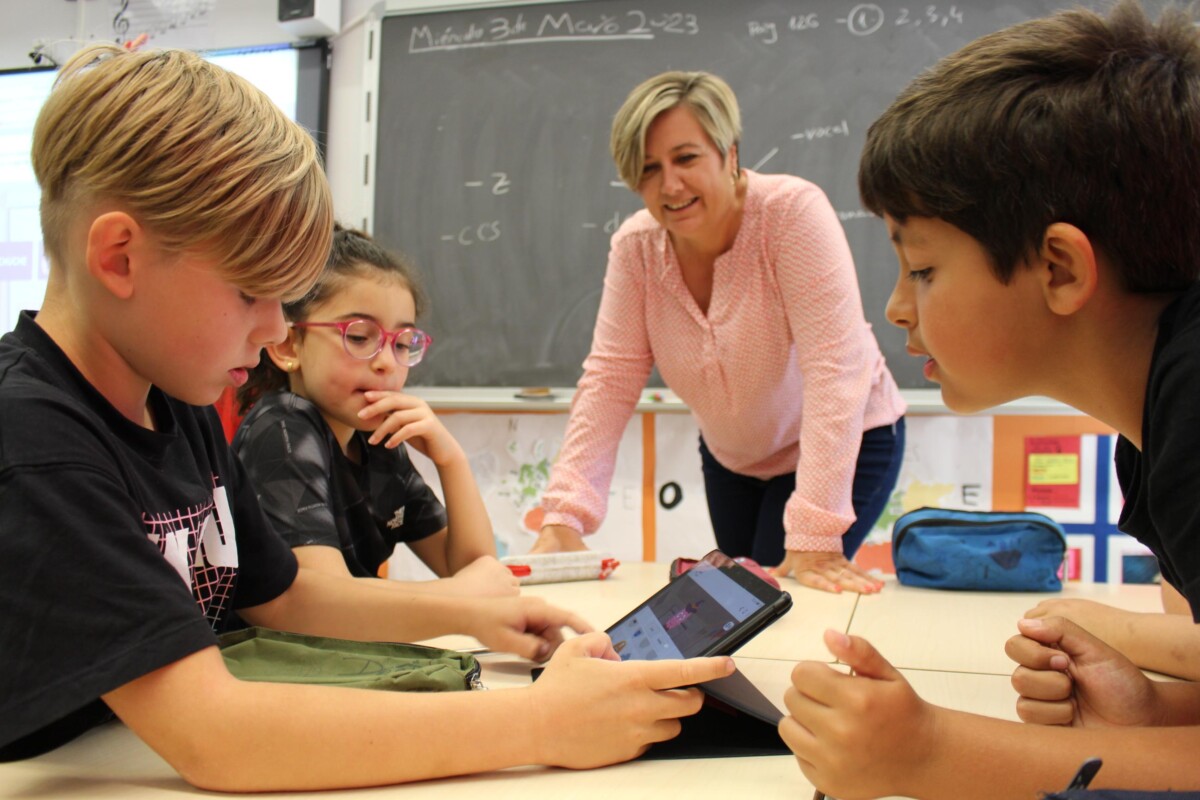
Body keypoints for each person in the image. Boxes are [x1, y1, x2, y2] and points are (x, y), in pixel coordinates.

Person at [0, 43, 735, 789]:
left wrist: (483, 621)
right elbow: (212, 732)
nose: (266, 332)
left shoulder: (167, 398)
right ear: (120, 257)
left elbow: (284, 594)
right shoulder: (33, 438)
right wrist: (542, 723)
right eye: (252, 293)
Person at [781, 1, 1200, 795]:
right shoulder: (1148, 423)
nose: (898, 308)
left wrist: (933, 754)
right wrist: (1153, 713)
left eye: (925, 269)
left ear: (1061, 270)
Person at [531, 71, 907, 596]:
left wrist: (817, 528)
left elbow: (835, 365)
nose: (670, 186)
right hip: (733, 457)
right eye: (648, 170)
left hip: (849, 438)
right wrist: (563, 517)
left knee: (784, 597)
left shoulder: (790, 213)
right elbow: (610, 379)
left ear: (729, 154)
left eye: (686, 158)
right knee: (733, 606)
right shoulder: (636, 248)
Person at [232, 225, 517, 597]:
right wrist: (461, 595)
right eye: (359, 336)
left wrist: (451, 461)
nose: (386, 362)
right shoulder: (282, 429)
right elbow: (330, 604)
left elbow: (475, 573)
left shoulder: (378, 440)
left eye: (403, 343)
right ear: (289, 346)